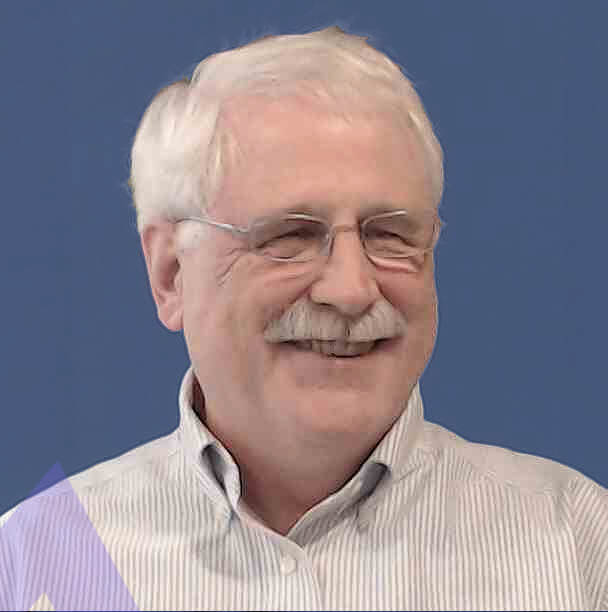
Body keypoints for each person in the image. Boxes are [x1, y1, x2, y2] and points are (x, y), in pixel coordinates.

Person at [1, 26, 607, 611]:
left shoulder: (580, 546)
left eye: (391, 235)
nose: (351, 290)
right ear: (171, 273)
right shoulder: (35, 566)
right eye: (289, 236)